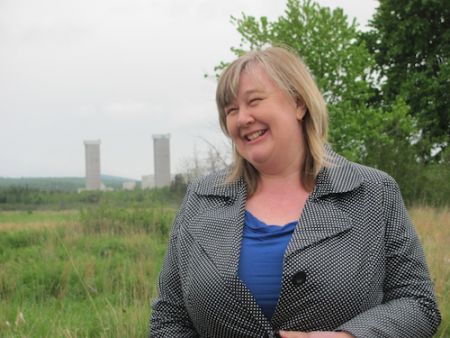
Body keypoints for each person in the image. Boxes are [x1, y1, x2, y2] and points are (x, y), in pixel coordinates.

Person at [150, 46, 441, 338]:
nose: (242, 119)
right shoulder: (201, 198)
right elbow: (169, 317)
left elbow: (418, 304)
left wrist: (350, 337)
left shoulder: (374, 193)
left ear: (299, 104)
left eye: (255, 101)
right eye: (231, 110)